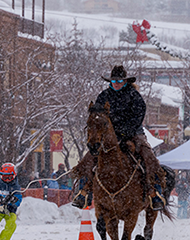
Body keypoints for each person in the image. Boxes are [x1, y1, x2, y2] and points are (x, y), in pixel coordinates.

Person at [71, 65, 166, 210]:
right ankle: (83, 192)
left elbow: (138, 117)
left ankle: (155, 193)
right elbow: (97, 117)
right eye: (113, 81)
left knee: (148, 155)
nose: (116, 83)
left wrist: (124, 133)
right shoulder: (103, 96)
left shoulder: (134, 96)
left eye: (119, 80)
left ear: (125, 81)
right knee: (88, 160)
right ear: (110, 82)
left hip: (133, 134)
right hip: (108, 136)